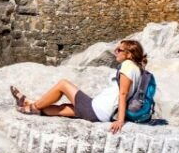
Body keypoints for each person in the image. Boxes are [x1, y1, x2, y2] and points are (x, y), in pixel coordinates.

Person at [9, 40, 147, 134]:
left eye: (119, 50)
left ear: (128, 54)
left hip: (97, 110)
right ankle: (29, 103)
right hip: (99, 112)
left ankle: (33, 107)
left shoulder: (127, 66)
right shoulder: (137, 69)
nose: (115, 51)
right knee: (61, 109)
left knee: (63, 84)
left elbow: (123, 94)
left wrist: (120, 121)